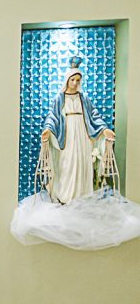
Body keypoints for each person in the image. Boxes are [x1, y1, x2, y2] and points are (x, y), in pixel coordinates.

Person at [39, 57, 116, 204]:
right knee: (67, 163)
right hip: (67, 135)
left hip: (82, 134)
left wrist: (104, 129)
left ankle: (82, 196)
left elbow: (93, 115)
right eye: (72, 80)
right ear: (67, 80)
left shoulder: (84, 98)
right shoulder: (59, 98)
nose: (75, 83)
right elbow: (53, 116)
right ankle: (66, 197)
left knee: (82, 162)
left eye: (78, 80)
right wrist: (48, 129)